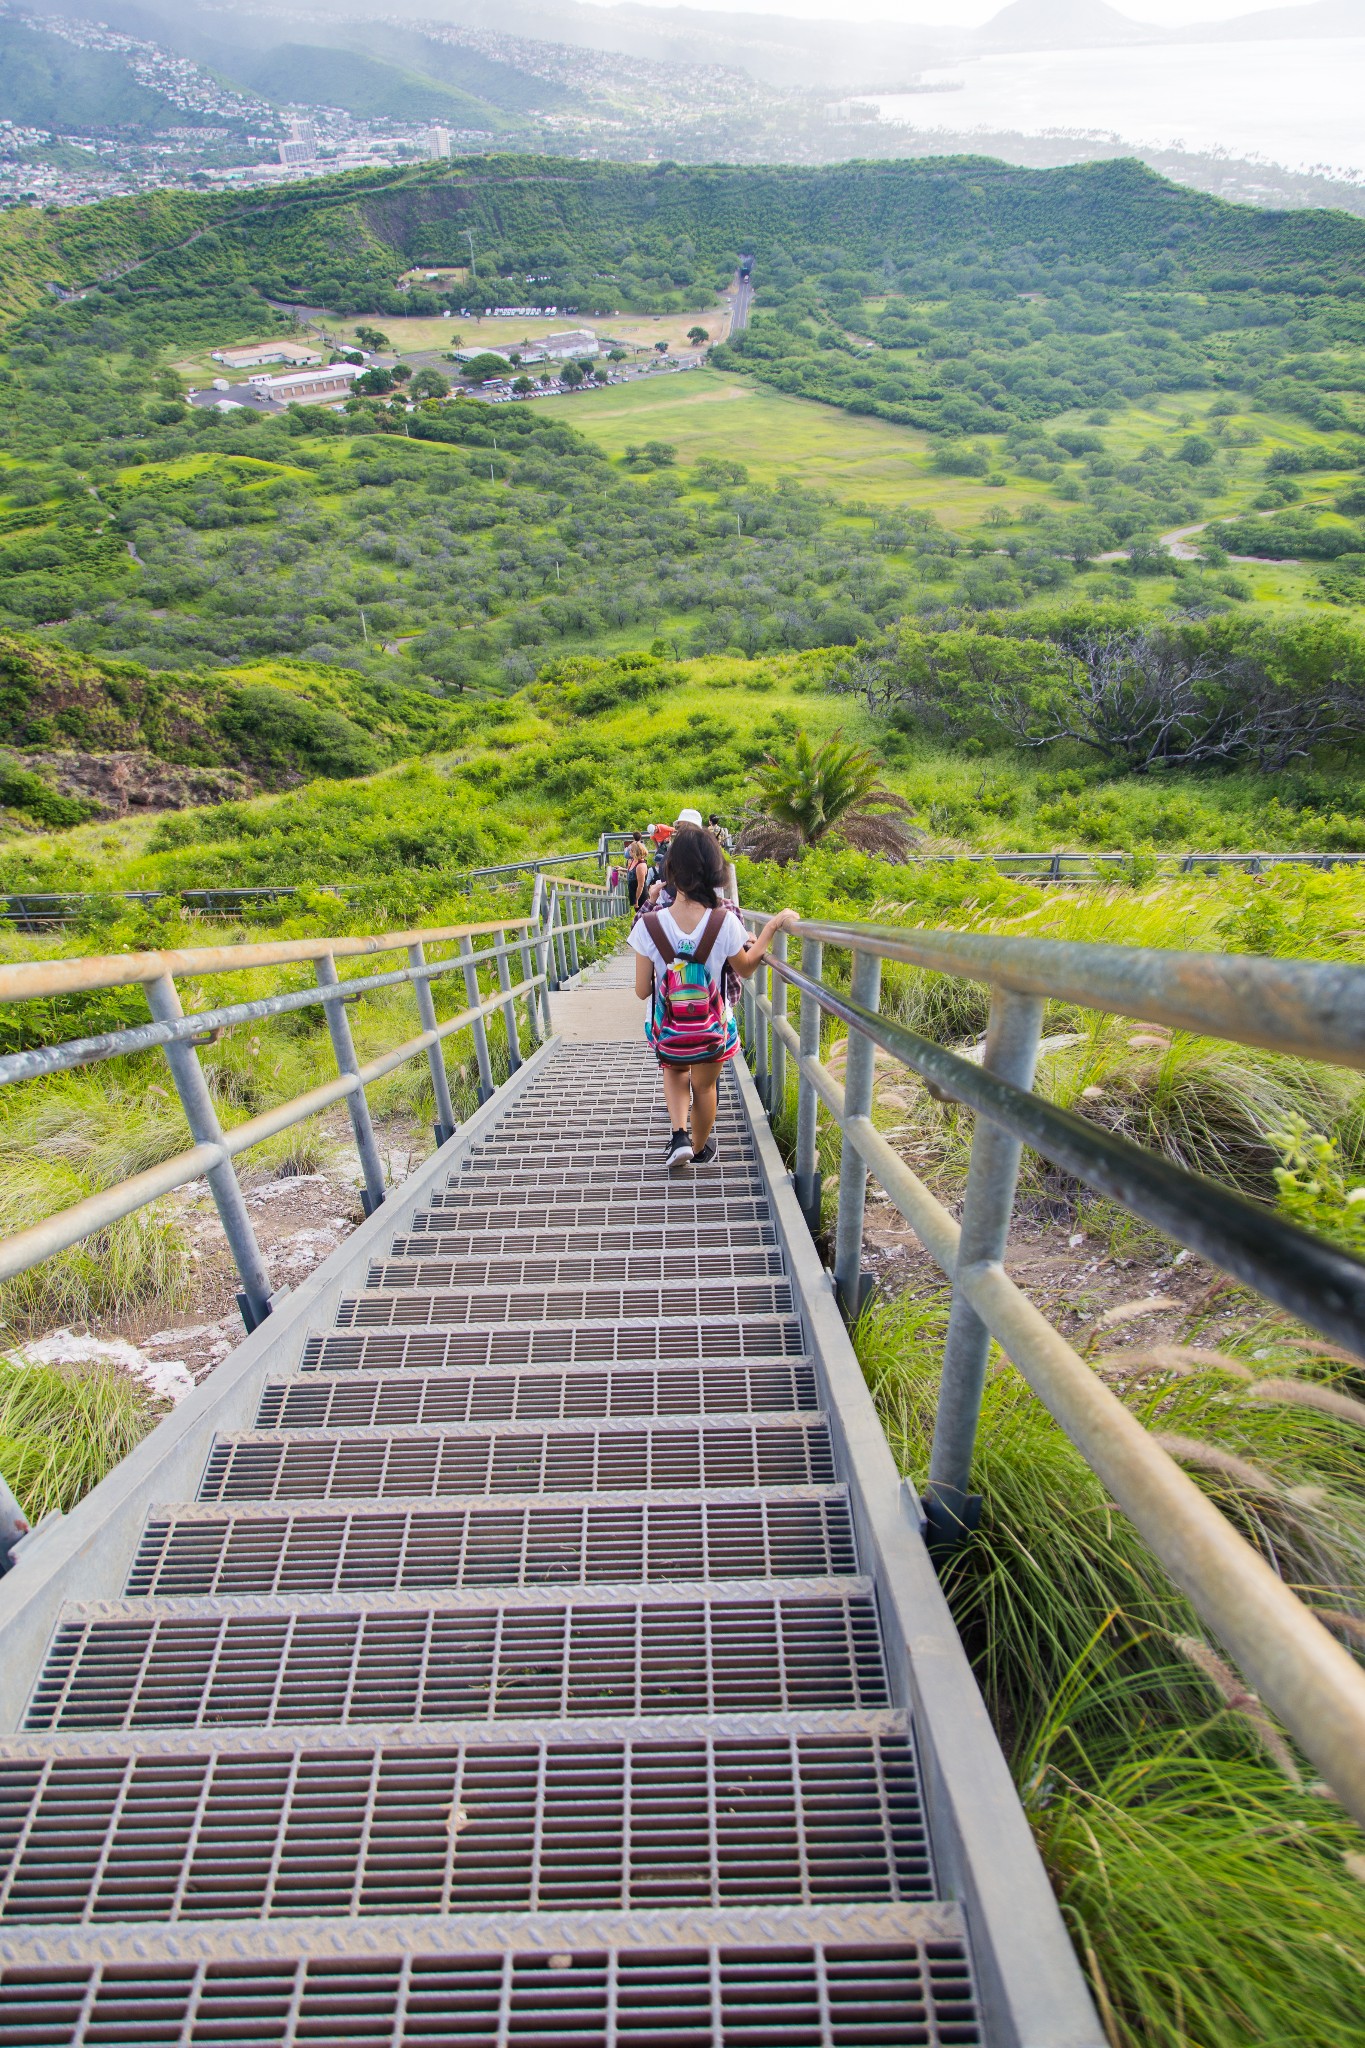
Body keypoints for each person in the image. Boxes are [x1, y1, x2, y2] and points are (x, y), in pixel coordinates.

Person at [630, 825, 797, 1169]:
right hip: (713, 1028)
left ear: (671, 870)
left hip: (668, 1027)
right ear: (714, 871)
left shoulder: (648, 924)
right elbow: (747, 967)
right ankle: (699, 1147)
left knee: (675, 1073)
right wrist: (770, 927)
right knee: (705, 1088)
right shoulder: (725, 921)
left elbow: (642, 990)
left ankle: (678, 1135)